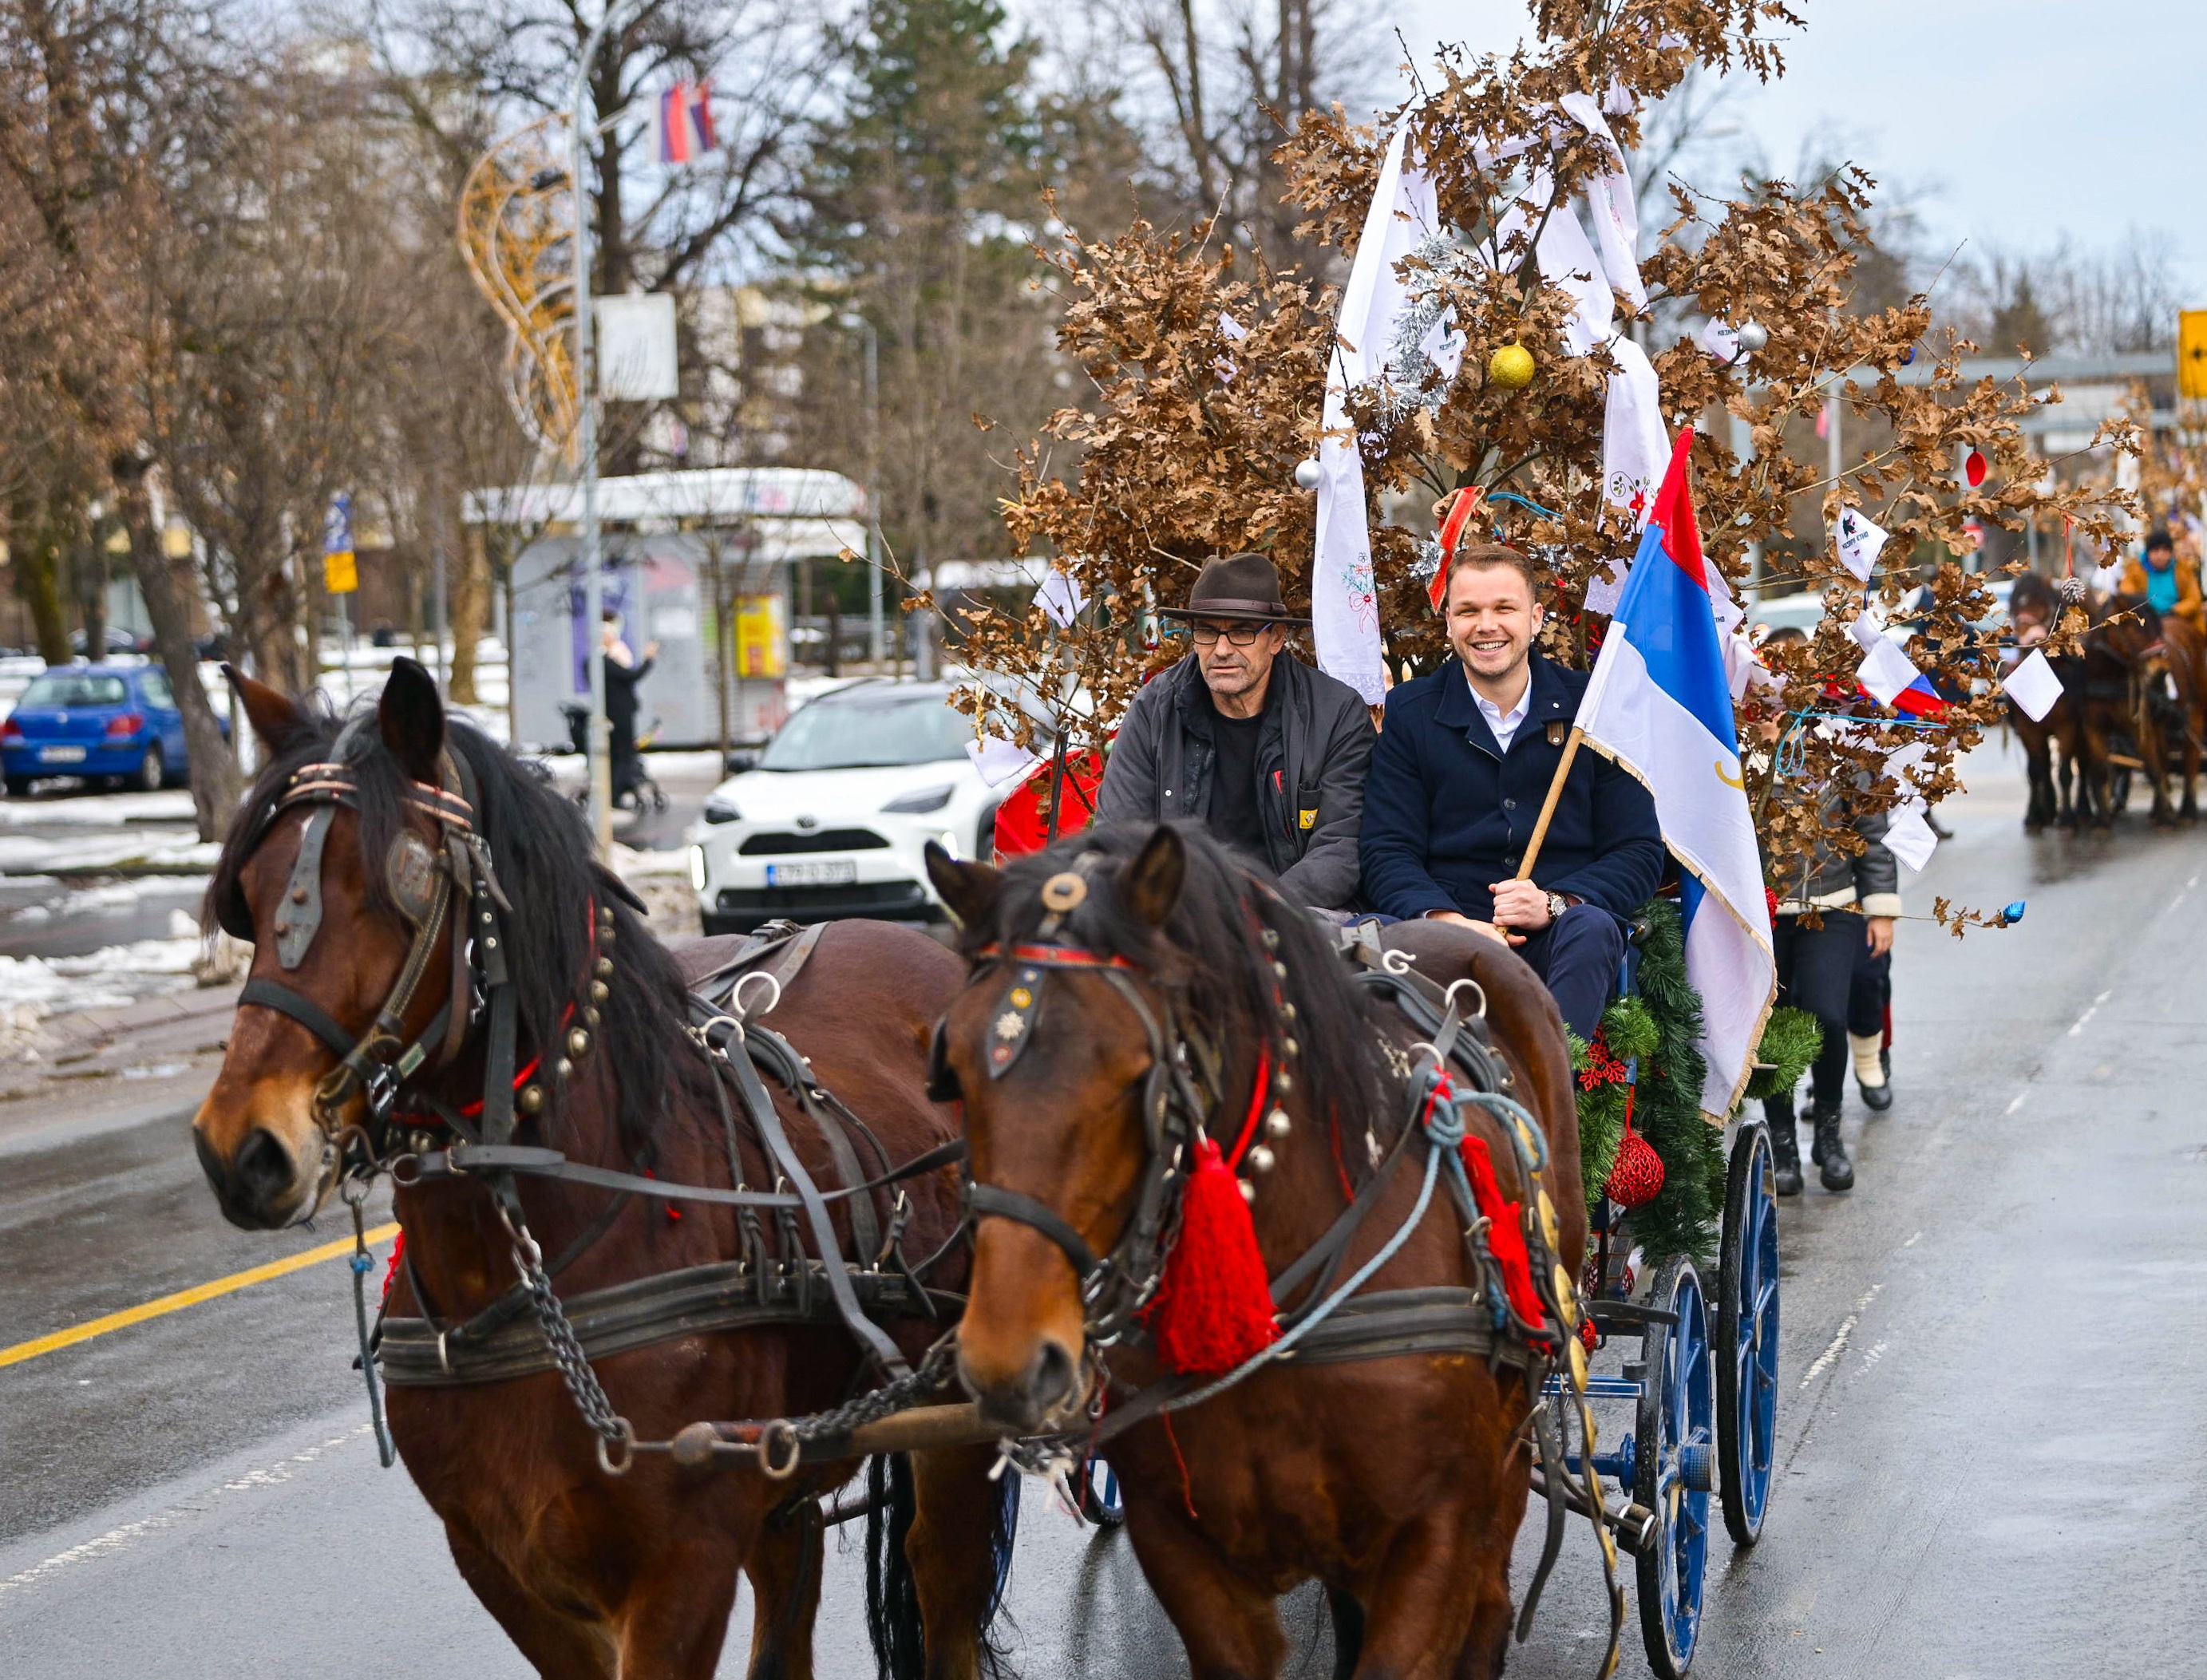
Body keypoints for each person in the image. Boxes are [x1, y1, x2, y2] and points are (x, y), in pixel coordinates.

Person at [1359, 543, 1664, 1041]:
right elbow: (1387, 848)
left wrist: (1556, 903)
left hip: (1559, 937)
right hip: (1446, 935)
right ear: (1449, 622)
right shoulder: (1411, 712)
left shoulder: (1594, 710)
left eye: (1504, 608)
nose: (1487, 626)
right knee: (1363, 936)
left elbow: (1637, 851)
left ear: (1536, 617)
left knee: (1593, 930)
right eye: (1469, 611)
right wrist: (1445, 920)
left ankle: (1541, 1096)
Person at [1095, 551, 1375, 910]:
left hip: (1299, 915)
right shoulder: (1156, 708)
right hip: (1179, 914)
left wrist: (1257, 909)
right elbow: (1119, 835)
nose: (1222, 650)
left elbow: (1340, 847)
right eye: (1208, 632)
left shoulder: (1335, 712)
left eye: (1242, 632)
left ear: (1276, 638)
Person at [599, 611, 659, 804]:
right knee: (622, 755)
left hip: (619, 713)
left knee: (621, 755)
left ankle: (618, 791)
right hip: (619, 715)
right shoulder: (605, 663)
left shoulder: (605, 662)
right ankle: (616, 795)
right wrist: (649, 658)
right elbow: (632, 676)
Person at [2119, 528, 2203, 634]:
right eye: (2156, 550)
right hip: (2145, 623)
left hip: (2180, 621)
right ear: (2148, 552)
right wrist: (2146, 611)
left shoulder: (2183, 569)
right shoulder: (2135, 570)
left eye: (2165, 550)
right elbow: (2126, 595)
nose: (2160, 555)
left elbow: (2194, 599)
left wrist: (2174, 611)